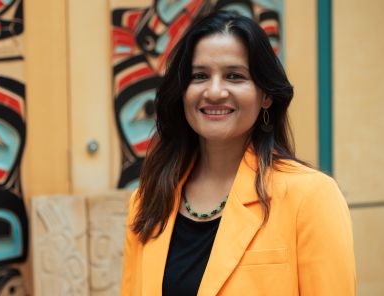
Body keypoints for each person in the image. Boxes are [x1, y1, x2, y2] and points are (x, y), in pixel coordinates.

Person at [120, 10, 356, 296]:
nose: (215, 91)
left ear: (266, 94)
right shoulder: (148, 199)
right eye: (199, 76)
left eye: (234, 76)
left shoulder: (311, 196)